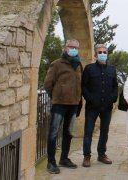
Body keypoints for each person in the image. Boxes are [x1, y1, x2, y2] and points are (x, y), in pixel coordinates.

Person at [44, 39, 83, 174]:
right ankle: (51, 162)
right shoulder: (57, 64)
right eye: (71, 47)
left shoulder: (78, 65)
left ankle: (64, 158)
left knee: (68, 133)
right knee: (53, 133)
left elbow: (79, 84)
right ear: (65, 47)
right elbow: (48, 84)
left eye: (76, 47)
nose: (73, 49)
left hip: (73, 105)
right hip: (59, 104)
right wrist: (57, 96)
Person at [81, 44, 118, 167]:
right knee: (88, 131)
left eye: (104, 52)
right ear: (95, 54)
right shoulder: (89, 69)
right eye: (100, 52)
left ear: (107, 54)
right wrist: (90, 99)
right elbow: (84, 87)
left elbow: (115, 87)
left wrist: (113, 98)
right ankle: (87, 156)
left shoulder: (112, 70)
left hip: (107, 107)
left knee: (104, 132)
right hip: (92, 107)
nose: (102, 54)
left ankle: (101, 154)